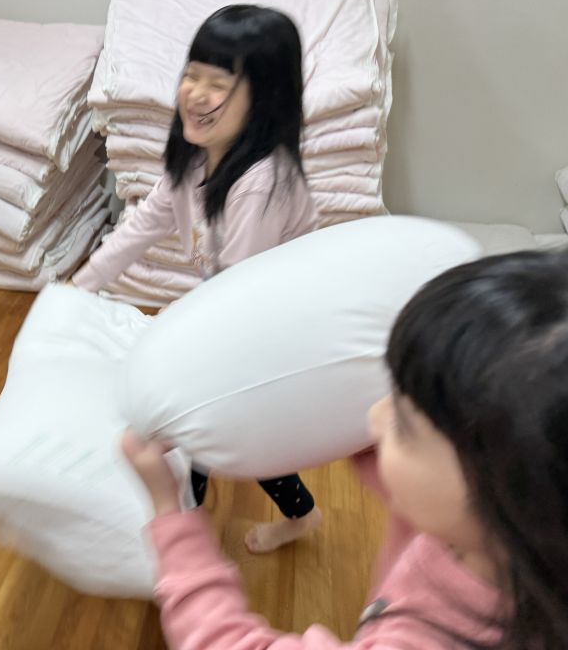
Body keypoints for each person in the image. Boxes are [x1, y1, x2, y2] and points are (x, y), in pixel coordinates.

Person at [123, 247, 568, 649]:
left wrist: (169, 510)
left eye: (404, 425)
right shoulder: (516, 529)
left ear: (510, 495)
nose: (375, 418)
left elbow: (220, 641)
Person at [72, 5, 321, 553]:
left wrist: (177, 329)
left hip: (272, 335)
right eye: (191, 75)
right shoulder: (194, 160)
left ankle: (235, 521)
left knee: (230, 431)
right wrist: (81, 286)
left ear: (265, 99)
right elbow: (143, 224)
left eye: (219, 85)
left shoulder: (262, 184)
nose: (196, 94)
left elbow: (237, 294)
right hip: (232, 321)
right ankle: (198, 512)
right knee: (215, 430)